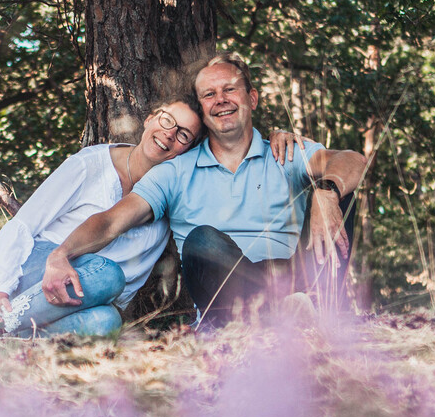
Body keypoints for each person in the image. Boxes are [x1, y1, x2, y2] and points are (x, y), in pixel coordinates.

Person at [41, 53, 368, 326]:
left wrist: (325, 193)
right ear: (202, 109)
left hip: (297, 283)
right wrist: (61, 253)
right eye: (209, 94)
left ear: (251, 98)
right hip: (227, 300)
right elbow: (111, 221)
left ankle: (315, 312)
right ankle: (271, 318)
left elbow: (351, 160)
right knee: (203, 240)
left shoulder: (287, 153)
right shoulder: (175, 172)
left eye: (230, 89)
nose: (221, 100)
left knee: (342, 193)